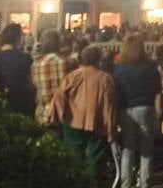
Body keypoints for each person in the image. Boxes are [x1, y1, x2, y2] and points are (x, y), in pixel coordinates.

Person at [49, 45, 119, 180]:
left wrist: (59, 116)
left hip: (73, 119)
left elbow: (59, 97)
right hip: (96, 120)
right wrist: (110, 128)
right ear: (98, 60)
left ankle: (75, 181)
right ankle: (91, 183)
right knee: (95, 155)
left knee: (74, 153)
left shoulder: (73, 76)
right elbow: (109, 104)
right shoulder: (105, 78)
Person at [113, 32, 162, 188]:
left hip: (125, 110)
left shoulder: (119, 68)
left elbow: (115, 93)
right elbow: (158, 90)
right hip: (145, 107)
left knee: (128, 150)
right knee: (146, 151)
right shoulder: (149, 67)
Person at [0, 23, 34, 114]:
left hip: (2, 103)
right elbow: (31, 81)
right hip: (22, 102)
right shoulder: (25, 58)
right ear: (17, 38)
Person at [31, 29, 65, 124]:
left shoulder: (35, 65)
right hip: (62, 113)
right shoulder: (65, 63)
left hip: (43, 113)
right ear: (58, 43)